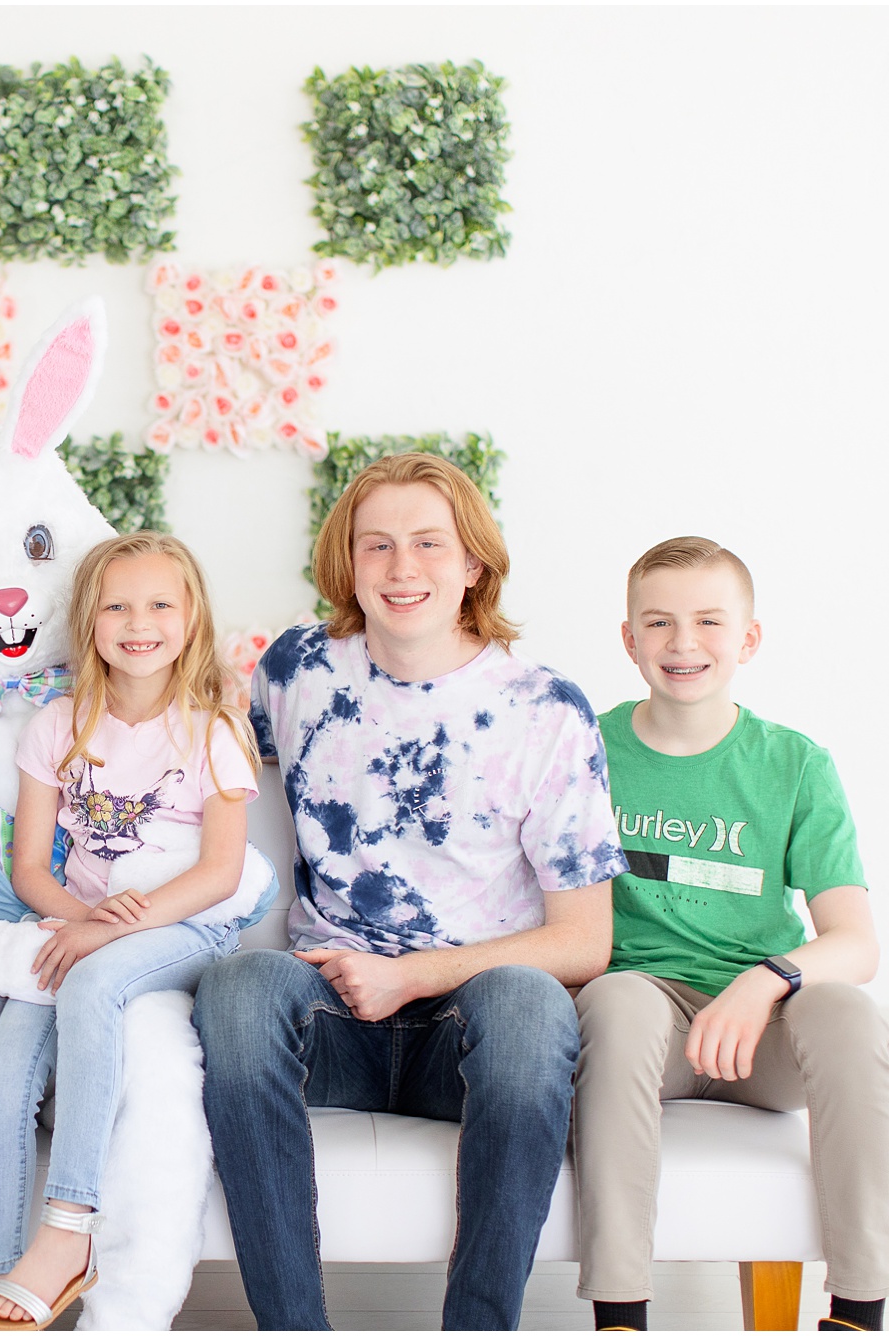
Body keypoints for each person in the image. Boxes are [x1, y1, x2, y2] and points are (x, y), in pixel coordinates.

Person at [194, 452, 628, 1331]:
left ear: (472, 563)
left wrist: (420, 974)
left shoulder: (545, 709)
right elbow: (200, 785)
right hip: (333, 1013)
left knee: (532, 1007)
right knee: (238, 989)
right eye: (377, 545)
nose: (402, 568)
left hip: (471, 1027)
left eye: (430, 544)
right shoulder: (294, 672)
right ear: (346, 562)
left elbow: (585, 941)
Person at [573, 536, 889, 1332]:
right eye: (659, 623)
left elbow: (855, 940)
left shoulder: (794, 764)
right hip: (646, 1022)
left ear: (748, 639)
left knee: (850, 1013)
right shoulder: (586, 747)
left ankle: (858, 1312)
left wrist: (763, 982)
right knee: (617, 999)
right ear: (629, 640)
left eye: (709, 621)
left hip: (762, 1034)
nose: (684, 643)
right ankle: (620, 1314)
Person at [0, 531, 267, 1331]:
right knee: (2, 1070)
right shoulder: (57, 725)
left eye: (160, 603)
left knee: (96, 985)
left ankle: (70, 1233)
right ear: (89, 621)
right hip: (81, 925)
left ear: (193, 617)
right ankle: (2, 1261)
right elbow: (30, 868)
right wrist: (84, 922)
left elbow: (220, 874)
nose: (140, 622)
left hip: (185, 927)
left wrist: (113, 934)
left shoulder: (213, 729)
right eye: (117, 605)